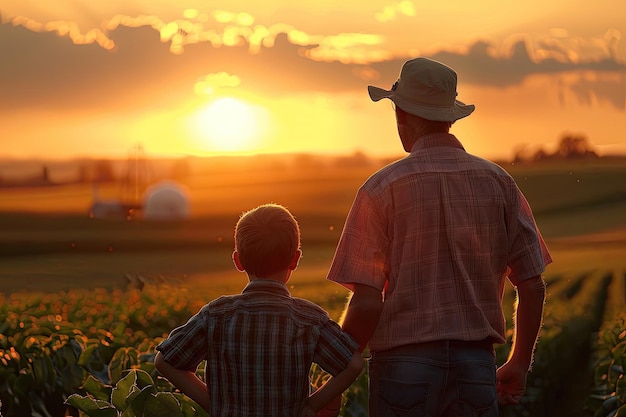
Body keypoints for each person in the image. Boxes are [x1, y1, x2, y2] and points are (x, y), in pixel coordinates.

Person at [327, 57, 552, 416]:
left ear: (400, 115)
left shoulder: (381, 188)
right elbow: (532, 284)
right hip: (476, 368)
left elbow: (368, 304)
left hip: (402, 368)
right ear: (450, 117)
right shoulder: (500, 184)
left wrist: (335, 376)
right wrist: (519, 363)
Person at [155, 203, 363, 417]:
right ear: (295, 259)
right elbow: (353, 364)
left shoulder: (217, 315)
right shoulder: (309, 319)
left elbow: (165, 361)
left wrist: (210, 402)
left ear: (238, 261)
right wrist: (312, 405)